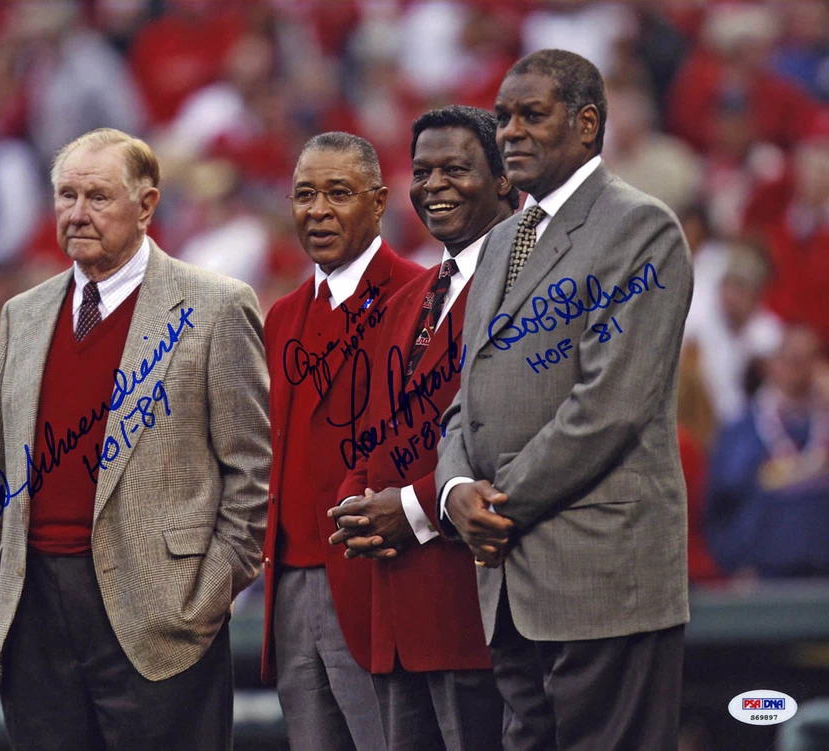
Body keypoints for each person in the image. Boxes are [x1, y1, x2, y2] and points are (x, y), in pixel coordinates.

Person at [0, 128, 270, 751]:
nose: (77, 213)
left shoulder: (217, 306)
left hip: (162, 613)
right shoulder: (23, 312)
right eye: (66, 195)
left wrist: (203, 601)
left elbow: (252, 475)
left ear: (147, 206)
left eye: (97, 196)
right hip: (32, 608)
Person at [435, 50, 693, 751]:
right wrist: (455, 487)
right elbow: (468, 395)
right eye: (502, 117)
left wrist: (496, 502)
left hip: (603, 581)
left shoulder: (641, 228)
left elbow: (609, 406)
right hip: (511, 583)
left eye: (531, 115)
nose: (508, 132)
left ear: (586, 125)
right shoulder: (497, 244)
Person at [328, 105, 517, 751]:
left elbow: (509, 437)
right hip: (393, 608)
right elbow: (374, 430)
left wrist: (408, 509)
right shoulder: (409, 297)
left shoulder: (528, 282)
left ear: (503, 181)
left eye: (455, 168)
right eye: (423, 170)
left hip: (474, 608)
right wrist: (354, 502)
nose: (433, 184)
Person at [261, 132, 422, 751]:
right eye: (305, 194)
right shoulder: (283, 315)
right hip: (291, 590)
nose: (318, 210)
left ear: (379, 201)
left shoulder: (418, 293)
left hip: (379, 580)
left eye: (338, 193)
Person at [705, 325, 829, 578]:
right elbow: (718, 505)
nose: (801, 371)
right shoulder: (742, 431)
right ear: (774, 365)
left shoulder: (823, 422)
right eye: (793, 360)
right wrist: (732, 564)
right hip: (763, 578)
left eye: (810, 360)